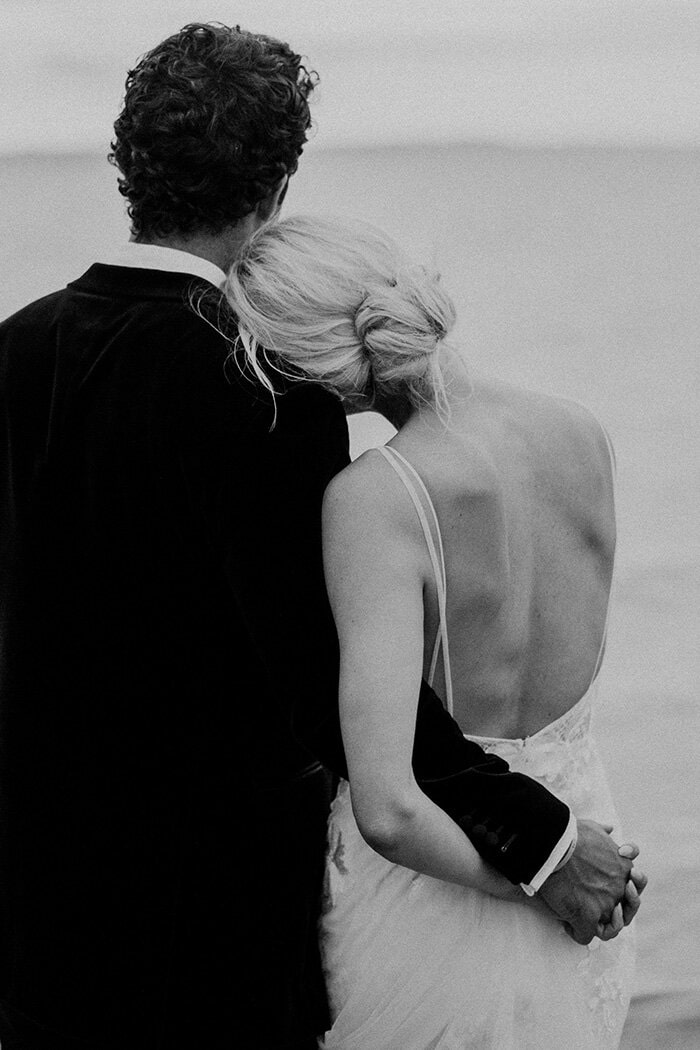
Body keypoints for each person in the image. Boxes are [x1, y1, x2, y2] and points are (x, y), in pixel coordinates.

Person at [0, 23, 640, 1050]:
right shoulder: (257, 386)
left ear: (127, 166)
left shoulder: (16, 349)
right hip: (210, 924)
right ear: (278, 184)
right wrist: (540, 837)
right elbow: (326, 676)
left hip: (36, 918)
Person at [223, 215, 647, 1049]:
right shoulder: (581, 432)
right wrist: (571, 855)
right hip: (596, 856)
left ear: (312, 369)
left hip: (446, 904)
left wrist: (543, 875)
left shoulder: (376, 498)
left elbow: (390, 809)